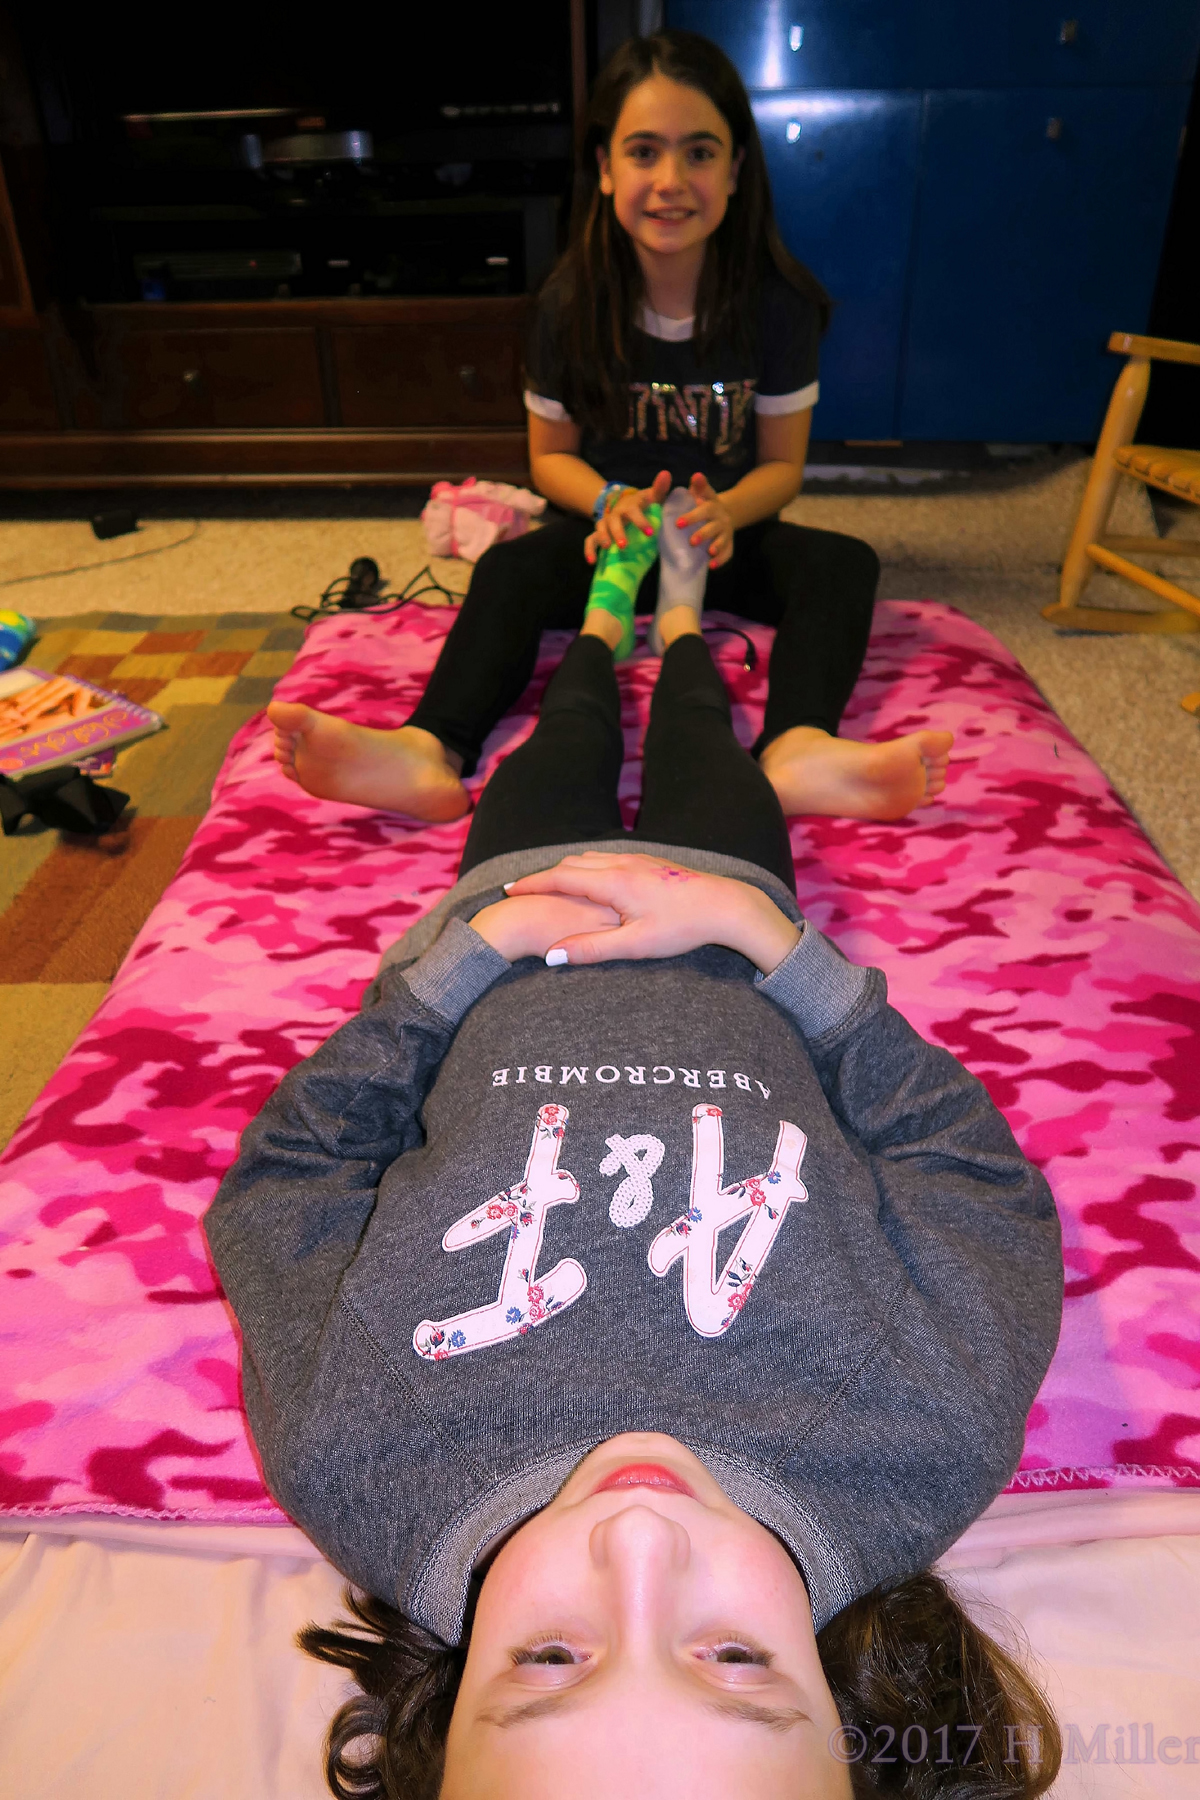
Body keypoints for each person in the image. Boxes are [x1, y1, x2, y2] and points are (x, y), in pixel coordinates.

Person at [205, 605, 1063, 1800]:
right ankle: (681, 614)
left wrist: (458, 967)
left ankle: (608, 624)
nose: (639, 1541)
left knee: (566, 722)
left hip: (509, 906)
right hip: (733, 907)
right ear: (853, 1723)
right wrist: (770, 945)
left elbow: (288, 1182)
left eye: (550, 1657)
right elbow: (974, 1181)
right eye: (736, 1659)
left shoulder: (359, 1453)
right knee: (703, 724)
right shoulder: (922, 1436)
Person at [266, 30, 954, 828]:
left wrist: (727, 512)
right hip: (605, 545)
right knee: (508, 573)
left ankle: (797, 746)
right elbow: (549, 459)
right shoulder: (566, 305)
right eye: (643, 153)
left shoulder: (779, 305)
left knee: (842, 564)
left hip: (717, 540)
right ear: (603, 169)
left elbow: (782, 469)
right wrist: (606, 505)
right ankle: (429, 748)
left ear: (736, 171)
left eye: (700, 153)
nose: (670, 181)